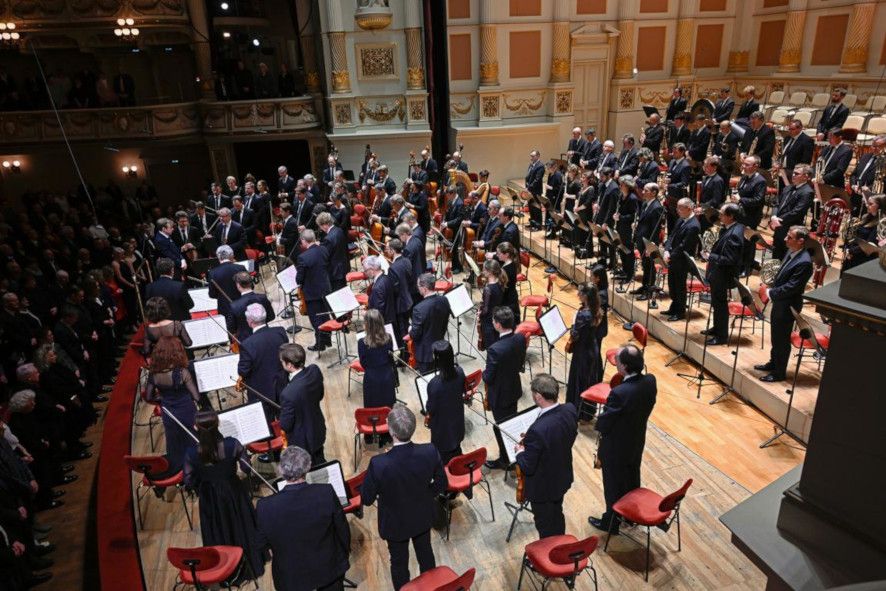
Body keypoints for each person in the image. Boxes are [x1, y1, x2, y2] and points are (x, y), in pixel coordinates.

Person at [361, 404, 446, 590]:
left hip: (395, 523)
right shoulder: (430, 451)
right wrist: (424, 495)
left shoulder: (378, 464)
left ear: (390, 431)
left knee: (399, 564)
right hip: (422, 515)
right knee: (426, 554)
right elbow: (441, 484)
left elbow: (366, 498)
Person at [184, 411, 266, 579]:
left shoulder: (191, 453)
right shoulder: (232, 444)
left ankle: (225, 568)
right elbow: (246, 469)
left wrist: (202, 481)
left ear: (196, 428)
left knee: (218, 528)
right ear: (218, 425)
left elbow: (189, 481)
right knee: (241, 524)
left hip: (209, 497)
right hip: (233, 491)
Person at [255, 446, 351, 591]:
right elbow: (343, 530)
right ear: (307, 467)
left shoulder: (264, 507)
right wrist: (341, 558)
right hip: (328, 568)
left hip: (291, 576)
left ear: (281, 470)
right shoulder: (325, 493)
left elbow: (261, 543)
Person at [588, 345, 657, 535]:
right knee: (631, 477)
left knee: (613, 485)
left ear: (625, 367)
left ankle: (611, 522)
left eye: (617, 362)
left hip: (616, 447)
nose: (615, 364)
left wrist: (600, 424)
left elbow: (605, 423)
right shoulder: (650, 381)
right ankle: (630, 515)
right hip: (636, 440)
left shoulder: (620, 393)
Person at [515, 374, 578, 538]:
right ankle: (559, 543)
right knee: (557, 514)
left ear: (538, 396)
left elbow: (528, 466)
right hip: (562, 476)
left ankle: (550, 556)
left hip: (544, 488)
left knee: (546, 526)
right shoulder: (570, 409)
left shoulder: (539, 429)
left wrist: (519, 452)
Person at [754, 226, 815, 383]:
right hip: (781, 302)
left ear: (801, 241)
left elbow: (793, 287)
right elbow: (783, 274)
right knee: (776, 336)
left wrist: (771, 293)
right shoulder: (792, 251)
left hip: (788, 305)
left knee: (782, 339)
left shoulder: (805, 262)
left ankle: (779, 372)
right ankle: (773, 363)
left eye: (790, 237)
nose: (785, 239)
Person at [144, 336, 200, 476]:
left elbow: (149, 397)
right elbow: (196, 397)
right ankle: (194, 471)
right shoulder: (183, 372)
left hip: (168, 412)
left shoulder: (154, 375)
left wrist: (162, 399)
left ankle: (179, 471)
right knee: (192, 441)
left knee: (175, 443)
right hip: (187, 411)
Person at [482, 307, 526, 470]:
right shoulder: (520, 338)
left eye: (494, 321)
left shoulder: (495, 350)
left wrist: (484, 372)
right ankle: (512, 453)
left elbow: (488, 377)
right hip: (513, 388)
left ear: (498, 325)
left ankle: (504, 460)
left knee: (502, 427)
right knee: (511, 422)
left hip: (500, 395)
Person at [237, 304, 288, 426]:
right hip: (282, 383)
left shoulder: (247, 344)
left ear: (249, 321)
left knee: (267, 423)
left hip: (261, 391)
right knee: (285, 417)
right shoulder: (280, 332)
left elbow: (243, 371)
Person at [702, 203, 744, 345]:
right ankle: (717, 327)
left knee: (720, 305)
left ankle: (721, 336)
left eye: (722, 214)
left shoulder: (735, 234)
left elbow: (730, 259)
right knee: (716, 303)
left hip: (723, 275)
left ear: (730, 216)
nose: (719, 216)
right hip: (718, 273)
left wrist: (710, 256)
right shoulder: (730, 228)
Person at [278, 344, 327, 465]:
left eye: (282, 362)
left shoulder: (288, 393)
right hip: (318, 428)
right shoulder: (315, 370)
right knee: (320, 458)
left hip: (302, 440)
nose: (281, 364)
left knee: (305, 467)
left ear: (289, 365)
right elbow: (320, 395)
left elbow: (286, 425)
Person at [425, 341, 466, 466]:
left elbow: (431, 408)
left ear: (437, 359)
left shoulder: (434, 384)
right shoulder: (460, 372)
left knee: (442, 460)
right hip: (457, 421)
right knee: (456, 449)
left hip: (442, 429)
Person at [565, 285, 603, 421]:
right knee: (588, 379)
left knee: (579, 380)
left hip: (582, 351)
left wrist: (573, 323)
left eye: (580, 292)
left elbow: (575, 334)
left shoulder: (583, 314)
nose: (577, 294)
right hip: (591, 347)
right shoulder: (595, 309)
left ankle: (579, 412)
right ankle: (588, 412)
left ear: (586, 296)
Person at [662, 198, 701, 321]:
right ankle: (674, 307)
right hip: (673, 258)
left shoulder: (694, 225)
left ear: (689, 209)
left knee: (679, 287)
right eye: (677, 207)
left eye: (680, 208)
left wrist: (671, 255)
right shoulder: (681, 219)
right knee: (672, 285)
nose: (677, 210)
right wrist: (667, 249)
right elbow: (672, 235)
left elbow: (684, 245)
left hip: (682, 261)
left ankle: (680, 312)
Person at [295, 230, 333, 351]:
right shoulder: (323, 250)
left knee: (316, 319)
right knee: (325, 315)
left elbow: (299, 279)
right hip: (325, 289)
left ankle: (320, 344)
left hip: (312, 293)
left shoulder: (303, 257)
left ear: (304, 241)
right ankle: (327, 340)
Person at [769, 165, 815, 260]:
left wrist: (779, 220)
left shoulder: (807, 192)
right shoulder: (788, 188)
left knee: (785, 258)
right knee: (775, 257)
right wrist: (773, 216)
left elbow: (797, 212)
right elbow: (776, 203)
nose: (793, 175)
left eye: (797, 174)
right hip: (778, 227)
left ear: (806, 176)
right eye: (793, 172)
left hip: (791, 231)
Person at [408, 274, 451, 374]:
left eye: (418, 286)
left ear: (424, 288)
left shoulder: (419, 309)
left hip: (425, 354)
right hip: (441, 348)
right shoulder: (444, 300)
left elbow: (415, 335)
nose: (418, 289)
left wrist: (410, 329)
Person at [734, 155, 767, 277]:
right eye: (744, 164)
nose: (743, 166)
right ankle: (739, 264)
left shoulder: (760, 181)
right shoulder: (744, 177)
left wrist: (741, 199)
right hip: (740, 214)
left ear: (755, 166)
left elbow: (758, 200)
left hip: (751, 216)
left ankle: (746, 268)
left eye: (747, 164)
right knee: (739, 240)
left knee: (748, 243)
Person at [357, 309, 397, 409]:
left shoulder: (362, 342)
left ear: (367, 325)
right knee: (388, 407)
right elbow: (390, 357)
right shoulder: (389, 337)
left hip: (371, 379)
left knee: (373, 408)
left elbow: (363, 363)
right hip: (387, 376)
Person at [227, 271, 275, 342]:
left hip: (246, 340)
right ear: (251, 283)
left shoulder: (234, 305)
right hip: (264, 335)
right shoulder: (263, 297)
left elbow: (231, 328)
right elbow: (271, 317)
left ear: (238, 285)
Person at [843, 195, 885, 272]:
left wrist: (851, 251)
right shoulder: (866, 217)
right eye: (867, 203)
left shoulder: (881, 224)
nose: (867, 205)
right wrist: (847, 248)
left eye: (871, 204)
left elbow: (869, 244)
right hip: (852, 254)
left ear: (880, 206)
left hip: (862, 260)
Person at [385, 240, 415, 349]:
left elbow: (394, 290)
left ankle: (405, 356)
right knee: (407, 326)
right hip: (408, 299)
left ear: (393, 251)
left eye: (388, 249)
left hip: (400, 304)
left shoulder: (392, 268)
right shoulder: (407, 261)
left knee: (402, 331)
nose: (387, 251)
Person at [207, 245, 246, 319]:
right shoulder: (240, 268)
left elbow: (212, 294)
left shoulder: (212, 273)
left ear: (218, 257)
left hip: (225, 308)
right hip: (242, 305)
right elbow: (250, 287)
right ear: (232, 255)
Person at [478, 260, 506, 350]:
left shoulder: (488, 289)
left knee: (490, 348)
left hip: (488, 322)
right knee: (496, 345)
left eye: (484, 270)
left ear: (489, 272)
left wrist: (479, 314)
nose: (482, 272)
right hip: (497, 319)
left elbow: (485, 310)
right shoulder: (500, 283)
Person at [318, 213, 349, 291]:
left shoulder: (328, 238)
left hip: (334, 271)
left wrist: (320, 246)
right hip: (343, 266)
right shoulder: (339, 230)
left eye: (320, 226)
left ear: (325, 224)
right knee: (342, 290)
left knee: (337, 293)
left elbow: (325, 256)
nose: (320, 228)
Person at [495, 242, 520, 320]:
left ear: (506, 254)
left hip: (508, 301)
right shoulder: (510, 263)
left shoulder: (506, 269)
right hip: (512, 296)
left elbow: (503, 288)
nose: (497, 255)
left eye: (499, 253)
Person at [525, 150, 545, 229]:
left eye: (532, 156)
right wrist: (526, 185)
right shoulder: (531, 165)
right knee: (531, 207)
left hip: (536, 191)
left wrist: (529, 187)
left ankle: (538, 225)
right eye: (531, 156)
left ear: (538, 156)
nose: (531, 158)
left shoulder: (540, 166)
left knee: (536, 207)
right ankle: (532, 222)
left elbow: (537, 179)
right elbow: (528, 176)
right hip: (530, 190)